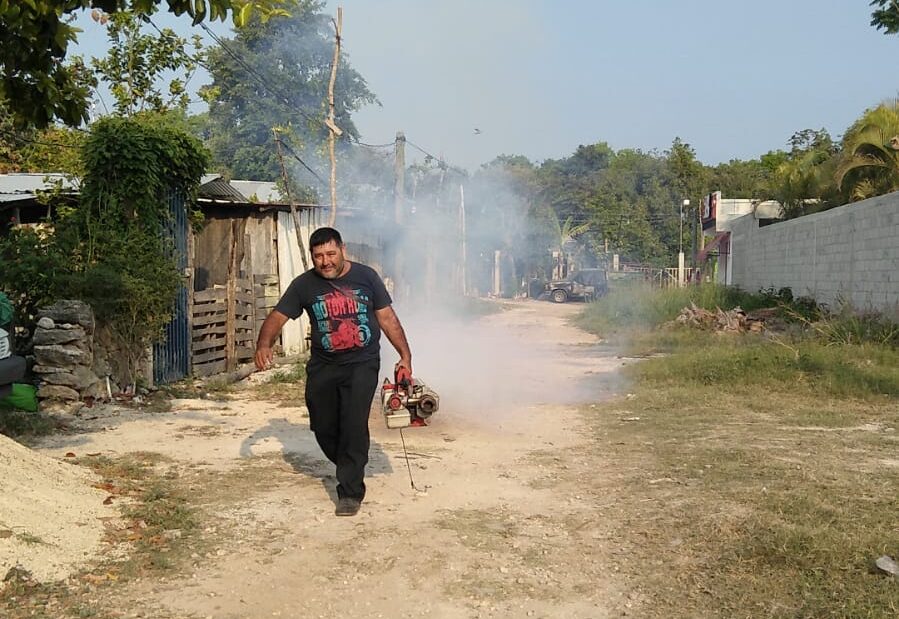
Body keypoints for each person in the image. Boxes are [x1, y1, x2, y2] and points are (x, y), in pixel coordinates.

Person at [254, 227, 412, 517]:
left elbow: (387, 318)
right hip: (323, 366)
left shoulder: (367, 278)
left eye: (330, 253)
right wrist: (264, 343)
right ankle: (349, 460)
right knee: (323, 426)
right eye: (318, 256)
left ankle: (350, 490)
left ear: (342, 250)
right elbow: (278, 315)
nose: (325, 261)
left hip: (362, 364)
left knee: (353, 423)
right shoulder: (304, 285)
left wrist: (405, 355)